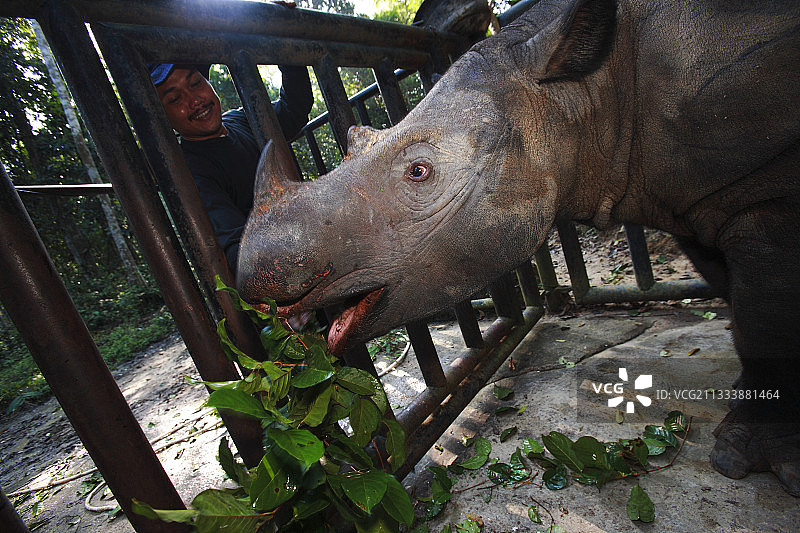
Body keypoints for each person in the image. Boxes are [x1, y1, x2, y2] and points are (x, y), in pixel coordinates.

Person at [150, 62, 313, 273]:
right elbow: (239, 251)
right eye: (175, 99)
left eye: (196, 83)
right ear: (162, 117)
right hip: (289, 266)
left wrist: (288, 57)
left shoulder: (239, 119)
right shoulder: (192, 171)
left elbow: (293, 110)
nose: (195, 100)